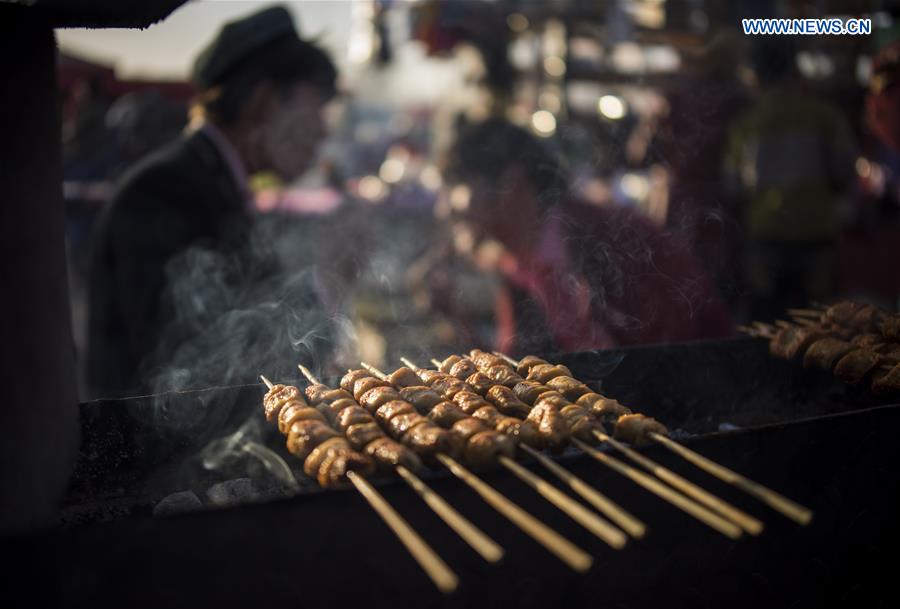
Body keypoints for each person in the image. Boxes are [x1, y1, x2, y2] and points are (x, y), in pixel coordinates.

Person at [87, 5, 336, 397]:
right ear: (263, 100)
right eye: (317, 105)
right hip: (149, 453)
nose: (323, 129)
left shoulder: (213, 180)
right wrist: (327, 278)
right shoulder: (165, 190)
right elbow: (185, 361)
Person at [436, 118, 733, 356]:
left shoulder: (608, 239)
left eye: (458, 186)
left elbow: (674, 349)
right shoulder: (517, 265)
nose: (445, 207)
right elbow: (518, 376)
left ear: (510, 183)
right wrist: (456, 318)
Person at [724, 38, 856, 321]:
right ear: (795, 67)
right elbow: (844, 172)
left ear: (757, 72)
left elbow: (733, 186)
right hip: (817, 240)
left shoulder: (746, 124)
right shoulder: (824, 116)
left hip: (766, 241)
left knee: (770, 327)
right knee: (822, 328)